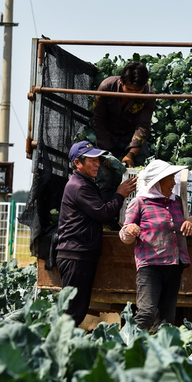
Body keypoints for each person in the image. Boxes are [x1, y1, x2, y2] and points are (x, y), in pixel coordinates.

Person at [56, 140, 137, 327]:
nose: (97, 163)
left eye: (97, 160)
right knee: (71, 312)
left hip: (81, 254)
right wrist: (120, 194)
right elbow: (104, 213)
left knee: (77, 309)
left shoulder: (85, 183)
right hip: (76, 255)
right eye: (91, 160)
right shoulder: (79, 186)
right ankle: (57, 349)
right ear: (77, 163)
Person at [119, 159, 192, 332]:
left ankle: (158, 354)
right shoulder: (140, 203)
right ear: (157, 181)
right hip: (150, 266)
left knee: (166, 320)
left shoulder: (176, 201)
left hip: (174, 265)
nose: (174, 182)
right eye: (170, 178)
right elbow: (124, 235)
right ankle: (127, 348)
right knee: (146, 313)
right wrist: (130, 229)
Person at [93, 61, 156, 202]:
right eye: (129, 89)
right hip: (107, 135)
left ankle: (135, 217)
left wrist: (131, 153)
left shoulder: (149, 94)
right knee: (103, 177)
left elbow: (143, 125)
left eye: (138, 91)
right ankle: (105, 220)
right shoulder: (106, 87)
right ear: (121, 82)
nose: (133, 94)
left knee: (141, 175)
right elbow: (98, 120)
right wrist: (106, 153)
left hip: (133, 137)